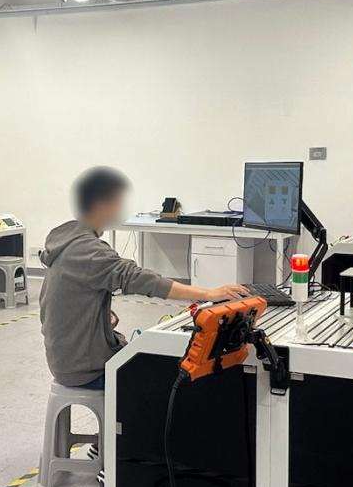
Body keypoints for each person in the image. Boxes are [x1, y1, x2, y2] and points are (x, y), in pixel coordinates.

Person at [39, 166, 250, 391]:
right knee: (174, 376)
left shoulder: (68, 241)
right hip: (86, 369)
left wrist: (99, 320)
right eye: (117, 204)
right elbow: (140, 279)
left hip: (66, 360)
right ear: (100, 205)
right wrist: (208, 294)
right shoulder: (89, 251)